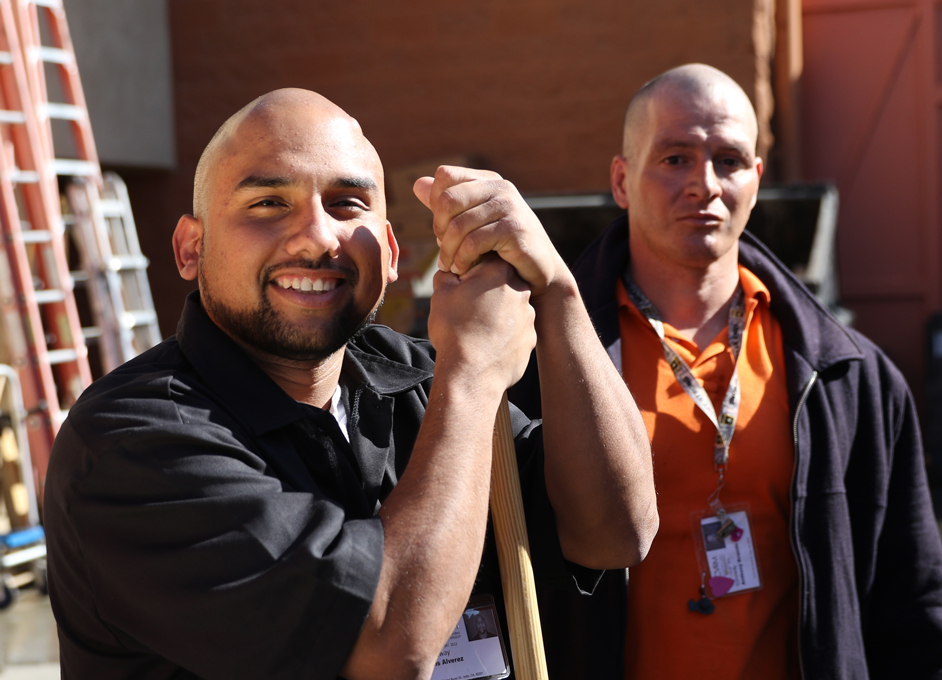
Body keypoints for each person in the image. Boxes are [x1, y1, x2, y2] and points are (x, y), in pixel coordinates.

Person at [43, 89, 657, 680]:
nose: (317, 236)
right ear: (189, 248)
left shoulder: (420, 380)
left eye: (347, 204)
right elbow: (389, 643)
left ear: (389, 252)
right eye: (268, 203)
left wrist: (556, 289)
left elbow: (617, 532)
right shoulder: (130, 440)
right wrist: (471, 377)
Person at [514, 63, 942, 678]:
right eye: (675, 158)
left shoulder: (848, 376)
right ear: (622, 180)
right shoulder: (538, 367)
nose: (705, 184)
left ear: (757, 180)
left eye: (730, 160)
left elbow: (914, 605)